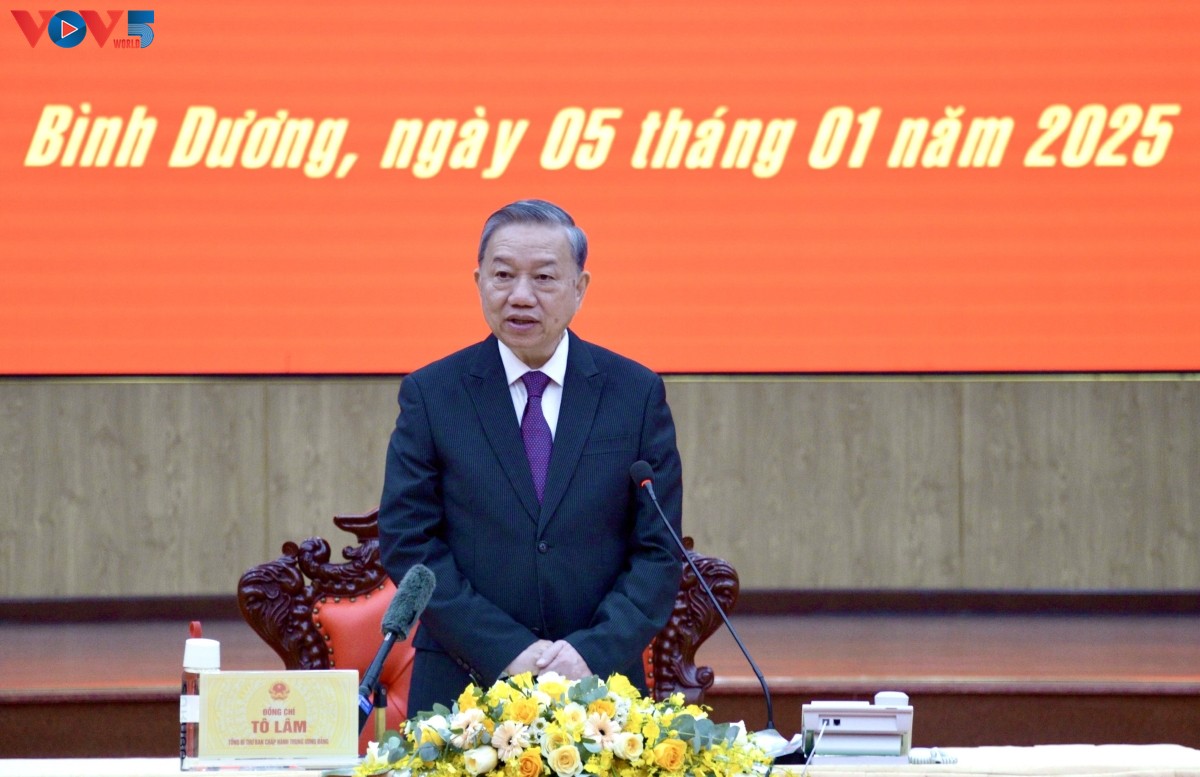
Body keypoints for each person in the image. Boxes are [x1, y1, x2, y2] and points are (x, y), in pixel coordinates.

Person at [378, 199, 683, 713]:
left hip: (600, 690)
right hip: (463, 686)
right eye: (503, 275)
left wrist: (589, 653)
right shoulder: (432, 394)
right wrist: (506, 650)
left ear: (580, 288)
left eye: (543, 278)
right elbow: (409, 542)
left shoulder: (635, 394)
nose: (520, 296)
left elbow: (659, 549)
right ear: (478, 281)